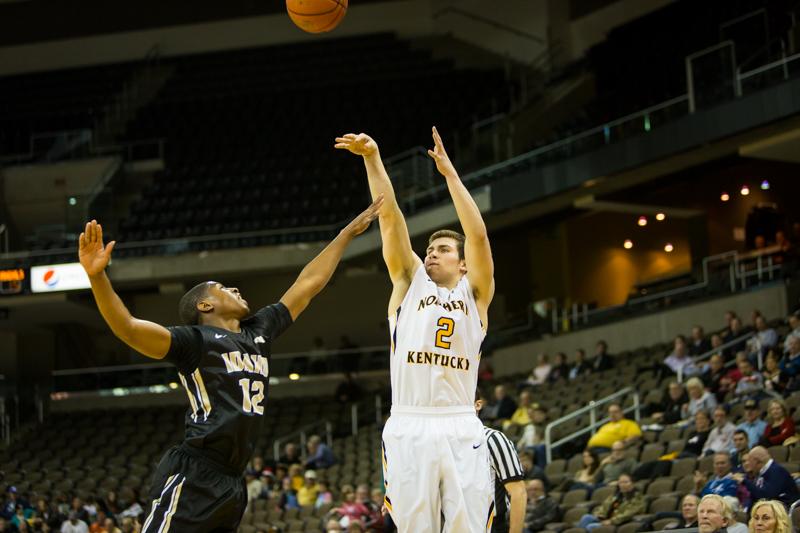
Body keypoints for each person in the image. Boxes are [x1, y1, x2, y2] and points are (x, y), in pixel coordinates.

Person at [77, 200, 383, 532]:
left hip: (233, 483)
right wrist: (97, 277)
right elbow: (129, 328)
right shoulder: (194, 340)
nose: (235, 289)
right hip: (195, 472)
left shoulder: (259, 330)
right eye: (224, 288)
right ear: (205, 304)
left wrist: (346, 234)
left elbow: (308, 283)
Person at [336, 128, 494, 532]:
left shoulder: (475, 294)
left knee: (470, 526)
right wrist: (372, 157)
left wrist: (450, 176)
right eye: (429, 249)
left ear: (462, 264)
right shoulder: (410, 281)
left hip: (460, 422)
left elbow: (477, 235)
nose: (431, 254)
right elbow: (389, 217)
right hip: (410, 420)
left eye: (442, 250)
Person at [476, 390, 527, 533]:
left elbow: (519, 492)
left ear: (477, 405)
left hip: (493, 525)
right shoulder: (447, 443)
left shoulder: (493, 439)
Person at [732, 446, 799, 507]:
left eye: (750, 461)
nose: (749, 464)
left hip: (784, 509)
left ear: (757, 461)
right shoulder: (763, 472)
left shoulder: (776, 471)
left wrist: (744, 481)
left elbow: (765, 496)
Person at [576, 474, 645, 531]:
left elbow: (629, 513)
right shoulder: (615, 496)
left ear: (632, 484)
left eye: (626, 482)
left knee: (591, 527)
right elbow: (603, 507)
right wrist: (598, 515)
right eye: (620, 482)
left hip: (619, 522)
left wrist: (612, 521)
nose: (623, 484)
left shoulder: (637, 497)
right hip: (606, 519)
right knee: (586, 517)